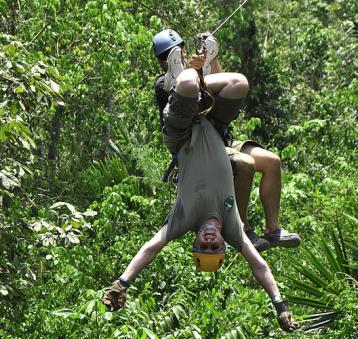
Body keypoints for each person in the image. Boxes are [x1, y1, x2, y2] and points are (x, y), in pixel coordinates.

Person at [102, 37, 299, 332]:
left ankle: (181, 77)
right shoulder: (233, 228)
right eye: (214, 246)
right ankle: (196, 69)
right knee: (240, 83)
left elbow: (151, 247)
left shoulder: (185, 219)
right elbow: (260, 266)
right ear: (222, 244)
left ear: (194, 242)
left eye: (203, 246)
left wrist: (123, 282)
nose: (209, 241)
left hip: (182, 132)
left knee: (188, 86)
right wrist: (280, 306)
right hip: (212, 126)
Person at [152, 29, 300, 252]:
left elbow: (223, 91)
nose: (177, 55)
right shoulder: (163, 84)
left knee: (272, 162)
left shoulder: (199, 71)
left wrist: (211, 57)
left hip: (221, 138)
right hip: (199, 145)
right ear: (162, 62)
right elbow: (190, 105)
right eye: (167, 56)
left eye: (179, 50)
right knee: (245, 165)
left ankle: (274, 228)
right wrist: (194, 71)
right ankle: (243, 230)